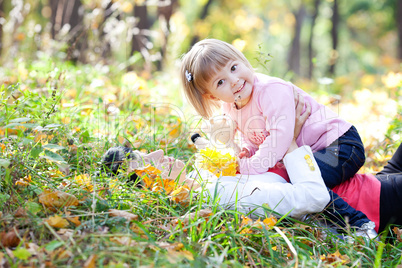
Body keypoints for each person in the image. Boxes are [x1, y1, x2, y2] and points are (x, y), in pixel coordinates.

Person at [180, 38, 369, 229]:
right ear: (212, 96)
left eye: (234, 68)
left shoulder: (270, 91)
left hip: (339, 144)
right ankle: (320, 226)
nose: (234, 81)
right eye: (221, 82)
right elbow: (255, 136)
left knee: (303, 182)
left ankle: (359, 226)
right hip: (307, 151)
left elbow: (280, 137)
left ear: (242, 60)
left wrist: (249, 166)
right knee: (288, 181)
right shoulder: (231, 106)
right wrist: (248, 150)